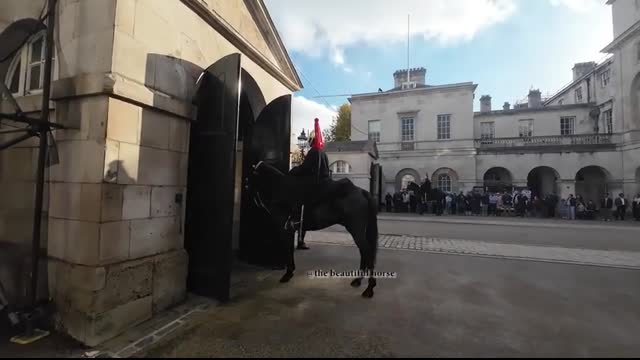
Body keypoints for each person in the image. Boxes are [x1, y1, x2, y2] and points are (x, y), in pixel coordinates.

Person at [286, 118, 331, 249]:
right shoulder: (323, 153)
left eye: (309, 141)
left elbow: (304, 169)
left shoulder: (312, 152)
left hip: (312, 185)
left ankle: (298, 231)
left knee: (299, 207)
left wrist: (293, 170)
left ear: (311, 141)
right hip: (324, 183)